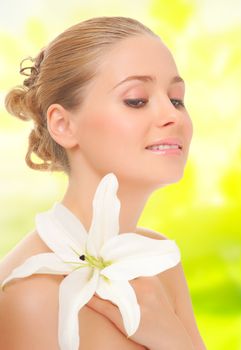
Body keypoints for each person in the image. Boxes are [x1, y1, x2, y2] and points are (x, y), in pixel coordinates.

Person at [0, 16, 206, 349]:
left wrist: (172, 340)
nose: (173, 115)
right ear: (63, 125)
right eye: (136, 100)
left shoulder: (160, 261)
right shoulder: (30, 293)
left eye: (177, 99)